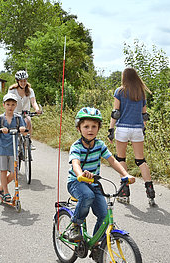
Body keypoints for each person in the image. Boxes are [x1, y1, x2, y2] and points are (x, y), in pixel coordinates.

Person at [67, 107, 135, 242]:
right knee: (87, 196)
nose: (90, 130)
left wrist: (125, 174)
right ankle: (75, 225)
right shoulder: (76, 146)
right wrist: (80, 174)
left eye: (94, 126)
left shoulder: (99, 145)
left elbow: (112, 160)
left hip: (94, 184)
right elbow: (75, 163)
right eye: (86, 126)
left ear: (98, 128)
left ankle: (96, 243)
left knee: (104, 216)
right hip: (76, 182)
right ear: (79, 128)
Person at [107, 68, 156, 205]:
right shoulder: (141, 92)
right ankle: (150, 191)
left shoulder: (120, 91)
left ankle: (124, 192)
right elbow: (144, 115)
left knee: (121, 158)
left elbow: (116, 112)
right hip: (137, 129)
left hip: (122, 129)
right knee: (140, 160)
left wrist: (111, 129)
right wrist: (143, 127)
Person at [0, 93, 27, 203]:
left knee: (14, 173)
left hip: (13, 149)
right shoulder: (0, 119)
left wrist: (22, 129)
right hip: (2, 148)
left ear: (16, 105)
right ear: (4, 105)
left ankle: (1, 187)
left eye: (12, 104)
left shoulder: (18, 118)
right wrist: (1, 130)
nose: (10, 107)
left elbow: (25, 131)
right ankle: (6, 192)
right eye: (8, 104)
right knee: (3, 170)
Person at [8, 70, 42, 149]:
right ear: (17, 81)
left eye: (25, 81)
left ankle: (28, 142)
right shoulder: (12, 90)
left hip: (25, 113)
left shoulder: (30, 91)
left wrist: (37, 109)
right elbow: (8, 101)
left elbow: (33, 102)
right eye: (21, 81)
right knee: (12, 127)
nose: (23, 83)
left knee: (28, 121)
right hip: (15, 113)